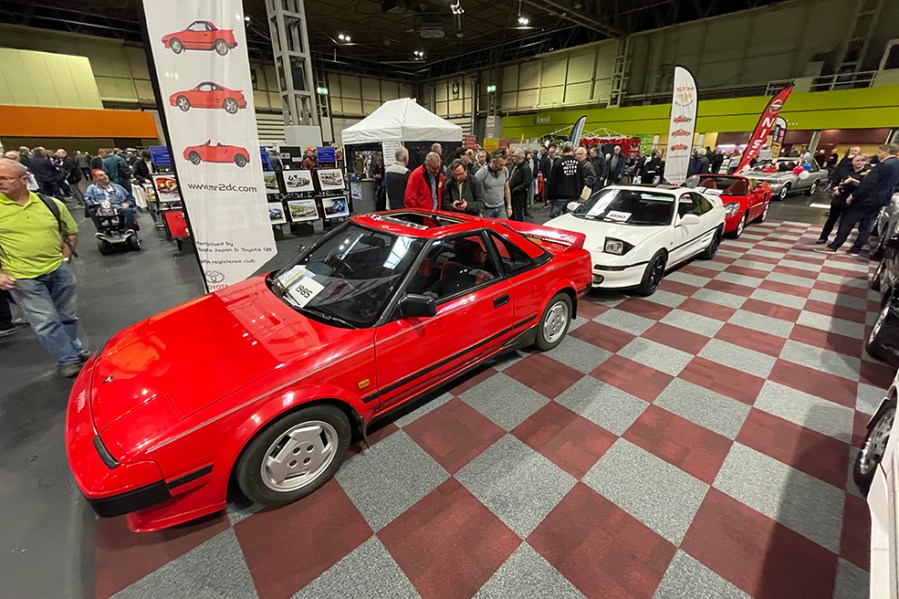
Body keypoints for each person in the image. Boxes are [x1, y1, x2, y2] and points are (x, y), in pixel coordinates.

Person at [0, 158, 86, 377]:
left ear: (24, 179)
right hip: (23, 277)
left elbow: (71, 230)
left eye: (4, 178)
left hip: (58, 269)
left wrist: (65, 258)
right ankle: (67, 359)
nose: (0, 182)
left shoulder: (49, 203)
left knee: (67, 314)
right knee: (45, 321)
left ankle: (73, 350)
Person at [817, 144, 899, 255]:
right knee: (866, 225)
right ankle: (856, 249)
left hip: (866, 199)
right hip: (881, 200)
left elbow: (868, 183)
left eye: (879, 152)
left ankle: (834, 246)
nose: (878, 155)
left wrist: (854, 195)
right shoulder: (897, 165)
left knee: (847, 221)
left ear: (886, 151)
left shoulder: (883, 165)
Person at [816, 153, 870, 245]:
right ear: (852, 161)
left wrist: (853, 181)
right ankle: (823, 237)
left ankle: (837, 240)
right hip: (840, 196)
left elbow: (867, 186)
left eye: (862, 161)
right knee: (831, 218)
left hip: (854, 199)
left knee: (845, 222)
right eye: (857, 160)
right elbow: (835, 182)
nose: (859, 163)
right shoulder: (845, 170)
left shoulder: (867, 172)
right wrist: (835, 188)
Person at [548, 142, 584, 218]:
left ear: (563, 151)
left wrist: (550, 196)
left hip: (559, 196)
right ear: (573, 150)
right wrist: (579, 193)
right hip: (573, 195)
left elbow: (552, 181)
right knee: (569, 220)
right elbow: (582, 181)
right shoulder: (579, 164)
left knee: (554, 221)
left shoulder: (557, 163)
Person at [474, 150, 512, 219]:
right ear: (493, 161)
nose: (502, 167)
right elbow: (476, 193)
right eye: (500, 165)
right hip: (486, 209)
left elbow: (507, 189)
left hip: (501, 207)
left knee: (503, 228)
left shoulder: (505, 170)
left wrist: (509, 206)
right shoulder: (481, 173)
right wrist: (479, 211)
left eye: (504, 165)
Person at [507, 149, 533, 222]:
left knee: (518, 213)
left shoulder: (525, 168)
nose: (512, 158)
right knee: (512, 214)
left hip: (519, 195)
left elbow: (527, 183)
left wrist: (516, 190)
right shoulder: (515, 166)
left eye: (514, 156)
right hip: (512, 194)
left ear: (519, 157)